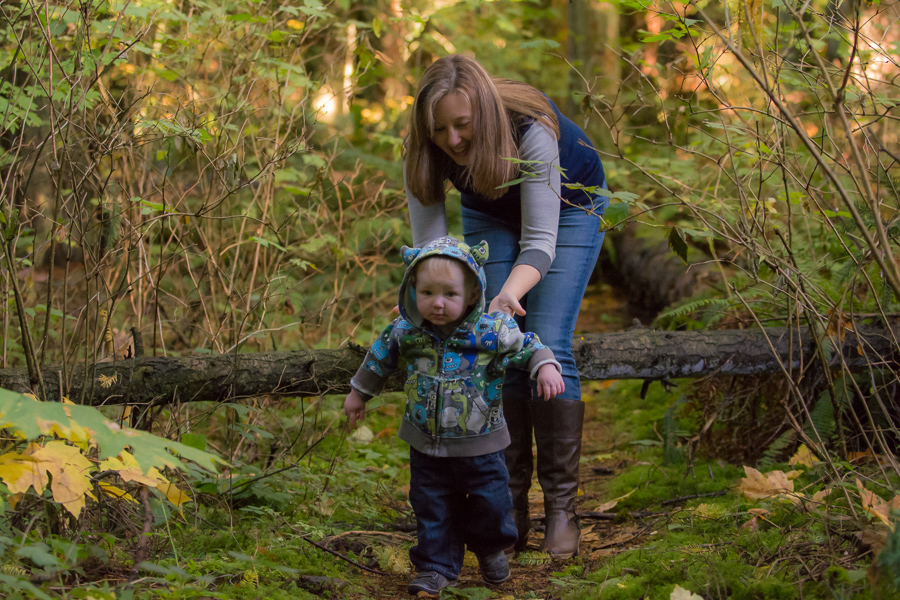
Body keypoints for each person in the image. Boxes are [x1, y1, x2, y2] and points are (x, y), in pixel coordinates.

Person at [403, 54, 608, 559]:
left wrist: (508, 293)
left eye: (463, 126)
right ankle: (508, 505)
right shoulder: (423, 147)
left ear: (485, 115)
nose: (451, 140)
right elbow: (432, 249)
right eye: (440, 129)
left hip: (570, 210)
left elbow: (539, 242)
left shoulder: (531, 129)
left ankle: (561, 508)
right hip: (489, 212)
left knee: (547, 339)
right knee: (495, 348)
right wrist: (421, 301)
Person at [344, 236, 565, 595]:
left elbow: (526, 344)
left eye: (449, 294)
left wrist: (545, 366)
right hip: (425, 442)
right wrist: (359, 393)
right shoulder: (407, 331)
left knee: (491, 503)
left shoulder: (489, 331)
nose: (438, 303)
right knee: (431, 505)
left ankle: (491, 547)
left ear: (473, 294)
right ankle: (435, 567)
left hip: (481, 443)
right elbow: (380, 355)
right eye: (427, 293)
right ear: (412, 290)